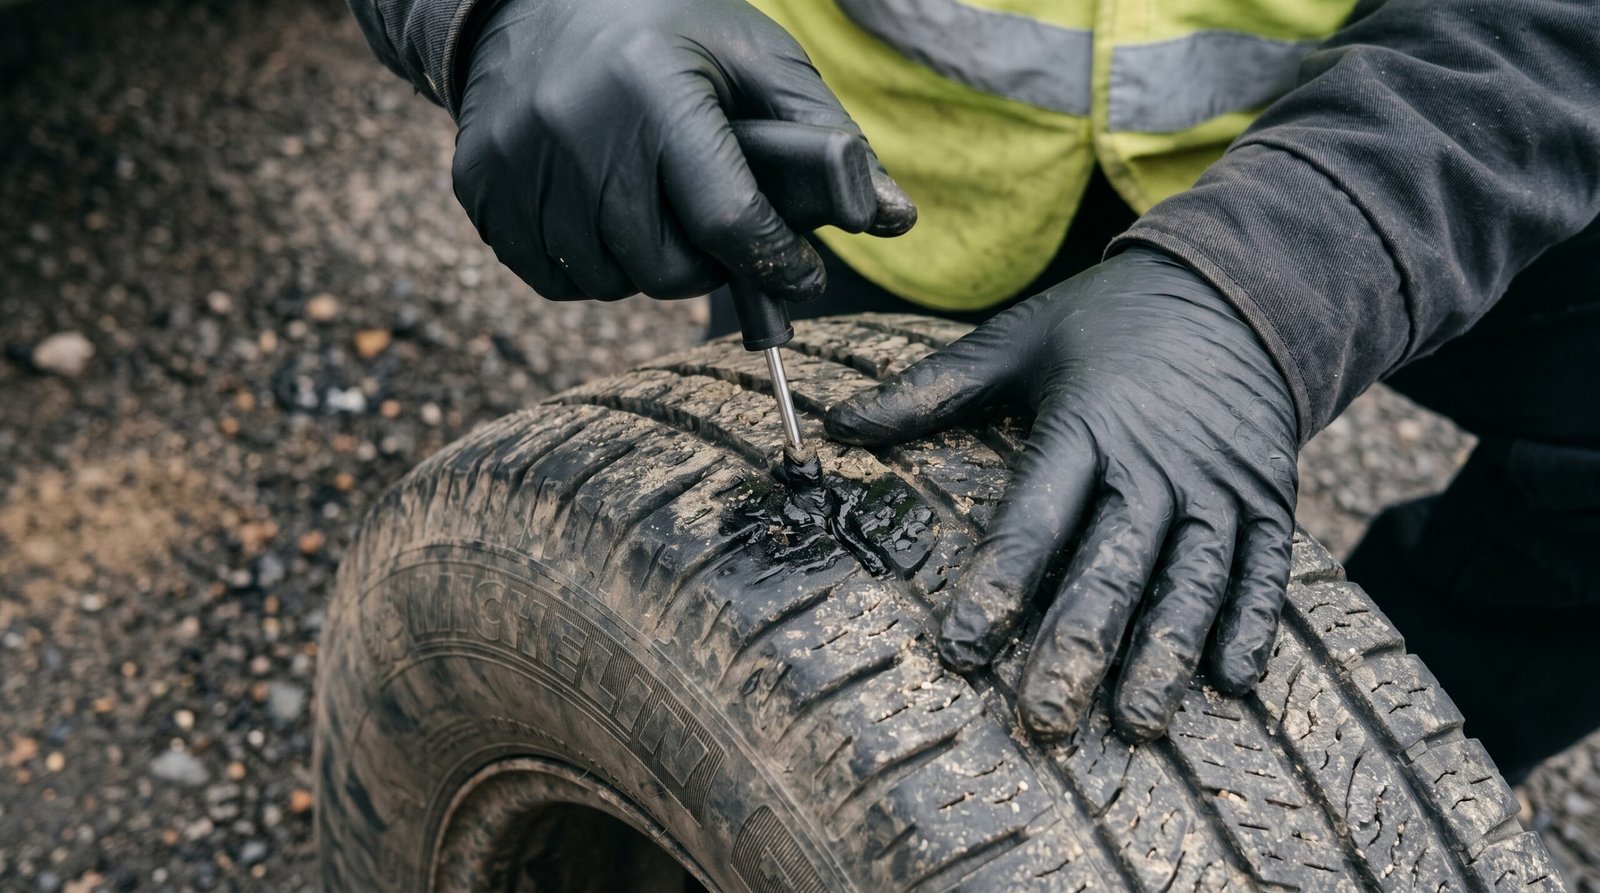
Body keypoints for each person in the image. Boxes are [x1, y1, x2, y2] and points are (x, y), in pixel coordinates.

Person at [348, 0, 1600, 783]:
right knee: (846, 606)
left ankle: (1382, 782)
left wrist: (1286, 267)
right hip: (869, 165)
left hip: (1391, 120)